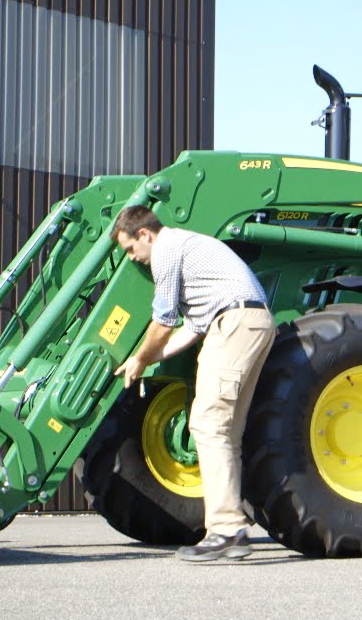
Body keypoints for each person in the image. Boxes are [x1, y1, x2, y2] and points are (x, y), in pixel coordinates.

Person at [110, 205, 275, 562]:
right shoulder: (188, 247)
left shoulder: (166, 250)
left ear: (144, 234)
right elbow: (191, 330)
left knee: (207, 422)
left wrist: (139, 358)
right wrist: (147, 359)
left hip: (233, 322)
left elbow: (163, 322)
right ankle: (232, 527)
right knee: (226, 431)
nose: (132, 258)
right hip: (252, 320)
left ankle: (226, 530)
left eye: (130, 249)